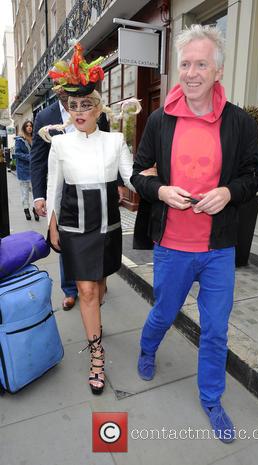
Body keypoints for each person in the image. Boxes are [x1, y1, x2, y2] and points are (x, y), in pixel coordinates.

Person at [131, 25, 258, 443]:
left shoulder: (238, 121)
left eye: (200, 64)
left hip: (219, 247)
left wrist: (227, 192)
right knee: (164, 314)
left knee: (216, 328)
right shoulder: (160, 119)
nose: (191, 72)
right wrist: (161, 190)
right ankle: (147, 348)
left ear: (217, 71)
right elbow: (139, 174)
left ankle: (211, 399)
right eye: (185, 63)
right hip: (172, 245)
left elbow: (253, 177)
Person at [43, 43, 139, 395]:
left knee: (97, 288)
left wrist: (152, 181)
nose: (79, 111)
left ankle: (97, 299)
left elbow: (131, 177)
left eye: (87, 105)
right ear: (67, 110)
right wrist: (50, 224)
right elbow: (54, 186)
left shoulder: (114, 141)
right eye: (74, 106)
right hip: (73, 225)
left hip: (108, 226)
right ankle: (96, 353)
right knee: (85, 289)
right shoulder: (59, 144)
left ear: (99, 108)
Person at [30, 71, 109, 311]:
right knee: (66, 240)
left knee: (97, 239)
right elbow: (38, 158)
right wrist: (40, 195)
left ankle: (95, 279)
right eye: (60, 87)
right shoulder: (45, 116)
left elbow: (104, 145)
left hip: (95, 189)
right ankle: (70, 289)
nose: (64, 91)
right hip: (64, 192)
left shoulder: (97, 109)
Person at [14, 120, 39, 221]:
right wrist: (30, 157)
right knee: (24, 192)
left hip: (34, 169)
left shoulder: (35, 138)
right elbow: (17, 154)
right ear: (24, 127)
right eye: (27, 126)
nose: (29, 127)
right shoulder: (19, 140)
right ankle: (26, 210)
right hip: (23, 170)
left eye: (31, 126)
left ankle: (35, 210)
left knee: (35, 191)